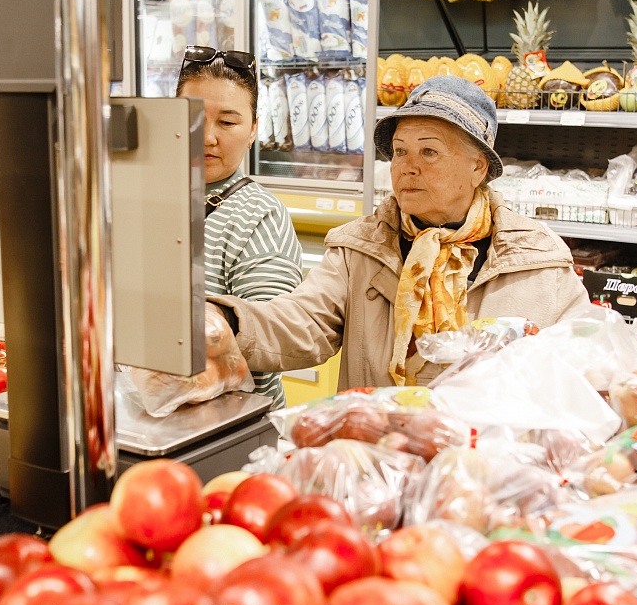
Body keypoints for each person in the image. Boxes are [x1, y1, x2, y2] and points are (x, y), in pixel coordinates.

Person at [210, 75, 588, 389]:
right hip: (382, 454)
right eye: (400, 151)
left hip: (489, 468)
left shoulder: (538, 261)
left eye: (429, 152)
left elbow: (587, 363)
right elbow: (302, 322)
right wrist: (226, 322)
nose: (407, 167)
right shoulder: (360, 248)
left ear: (478, 168)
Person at [177, 46, 303, 408]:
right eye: (193, 117)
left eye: (228, 122)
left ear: (253, 131)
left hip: (230, 428)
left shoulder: (260, 216)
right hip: (147, 418)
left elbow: (268, 339)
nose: (207, 137)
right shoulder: (144, 196)